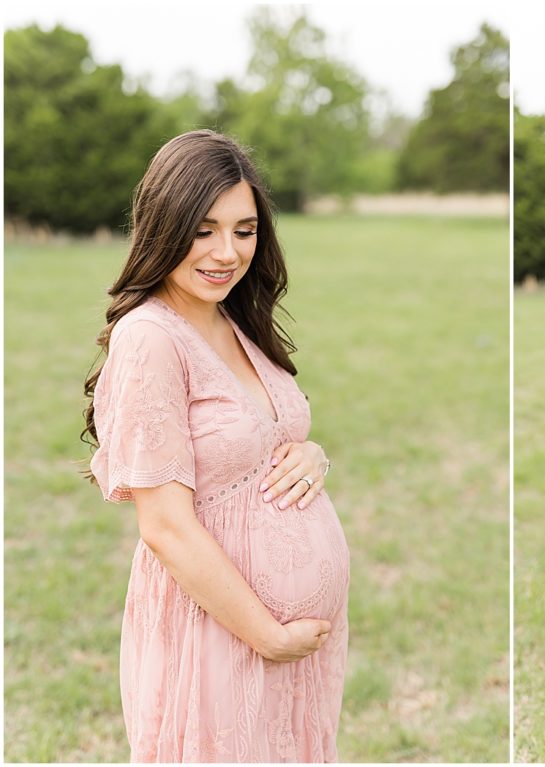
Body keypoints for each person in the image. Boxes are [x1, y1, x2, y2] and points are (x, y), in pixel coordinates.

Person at [82, 130, 349, 762]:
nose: (226, 252)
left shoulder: (231, 316)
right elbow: (165, 527)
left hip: (285, 651)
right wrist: (268, 635)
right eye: (203, 230)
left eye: (244, 230)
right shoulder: (151, 336)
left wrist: (313, 456)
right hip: (218, 635)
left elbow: (263, 438)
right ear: (163, 227)